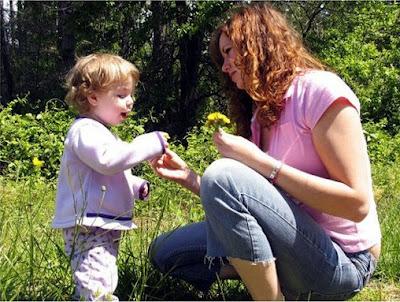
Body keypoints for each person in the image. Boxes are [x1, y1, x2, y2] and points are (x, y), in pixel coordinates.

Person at [148, 3, 381, 301]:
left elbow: (357, 204)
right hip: (291, 247)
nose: (224, 65)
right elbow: (258, 204)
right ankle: (269, 281)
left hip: (342, 262)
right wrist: (190, 178)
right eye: (221, 56)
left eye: (230, 51)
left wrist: (259, 162)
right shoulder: (260, 114)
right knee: (166, 253)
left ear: (259, 43)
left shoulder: (320, 91)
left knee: (223, 173)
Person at [52, 53, 168, 301]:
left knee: (102, 275)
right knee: (97, 282)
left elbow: (106, 172)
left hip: (101, 224)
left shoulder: (101, 133)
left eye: (131, 94)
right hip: (87, 225)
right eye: (121, 95)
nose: (130, 102)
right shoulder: (84, 130)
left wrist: (135, 186)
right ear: (93, 97)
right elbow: (108, 161)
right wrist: (149, 143)